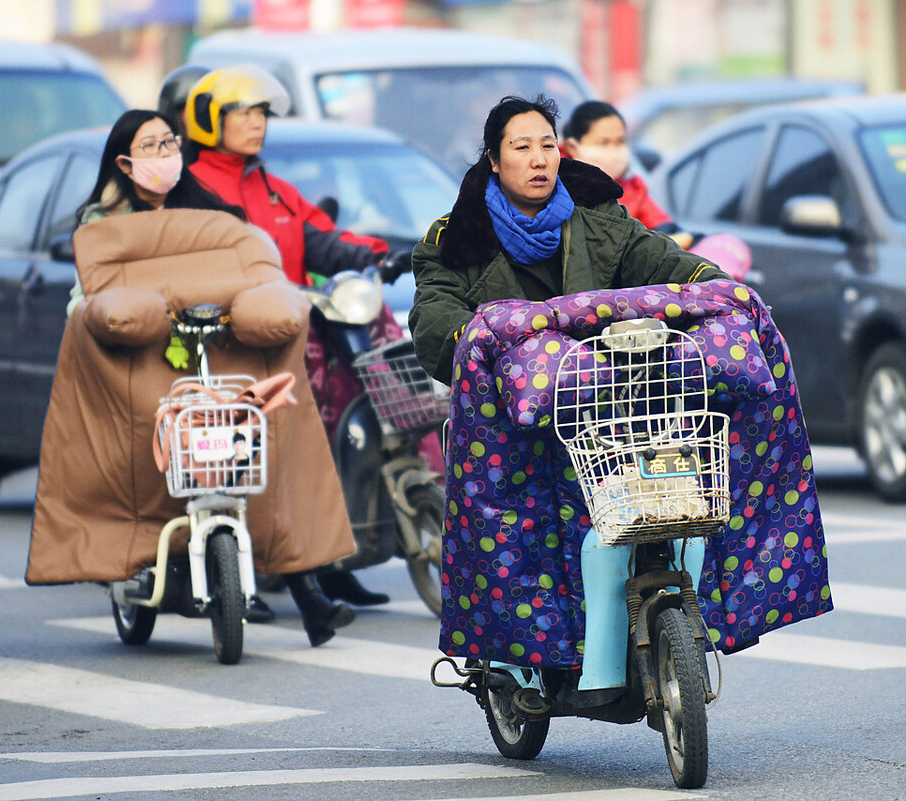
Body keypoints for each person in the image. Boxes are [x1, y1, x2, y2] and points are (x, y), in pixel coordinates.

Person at [43, 108, 356, 645]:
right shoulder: (100, 224)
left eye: (170, 143)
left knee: (255, 446)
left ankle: (307, 595)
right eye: (151, 147)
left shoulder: (210, 211)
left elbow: (248, 269)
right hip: (141, 364)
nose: (165, 156)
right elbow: (91, 293)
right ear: (124, 161)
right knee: (141, 450)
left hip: (211, 357)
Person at [181, 64, 412, 607]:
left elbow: (320, 241)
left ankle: (330, 562)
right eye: (243, 111)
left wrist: (380, 255)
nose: (256, 122)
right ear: (209, 118)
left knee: (323, 448)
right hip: (229, 346)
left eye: (261, 112)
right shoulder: (192, 191)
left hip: (292, 337)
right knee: (249, 458)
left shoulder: (273, 188)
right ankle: (242, 572)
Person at [410, 94, 730, 386]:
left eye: (548, 146)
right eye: (522, 147)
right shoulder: (456, 238)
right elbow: (434, 320)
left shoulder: (599, 215)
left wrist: (722, 289)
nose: (539, 160)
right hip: (510, 405)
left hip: (604, 403)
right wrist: (493, 341)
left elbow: (659, 259)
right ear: (493, 160)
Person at [560, 100, 693, 248]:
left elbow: (662, 226)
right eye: (604, 143)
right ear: (572, 147)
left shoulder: (633, 187)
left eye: (619, 141)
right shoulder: (557, 185)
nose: (613, 151)